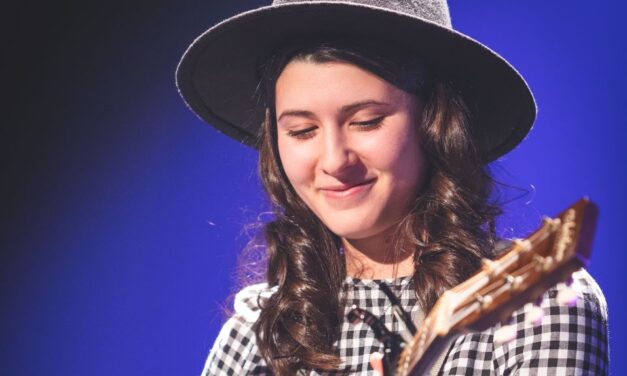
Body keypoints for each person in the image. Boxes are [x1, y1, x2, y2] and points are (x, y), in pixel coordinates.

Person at [176, 1, 609, 375]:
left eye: (366, 121)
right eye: (303, 130)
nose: (333, 161)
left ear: (434, 124)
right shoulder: (258, 335)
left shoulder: (537, 305)